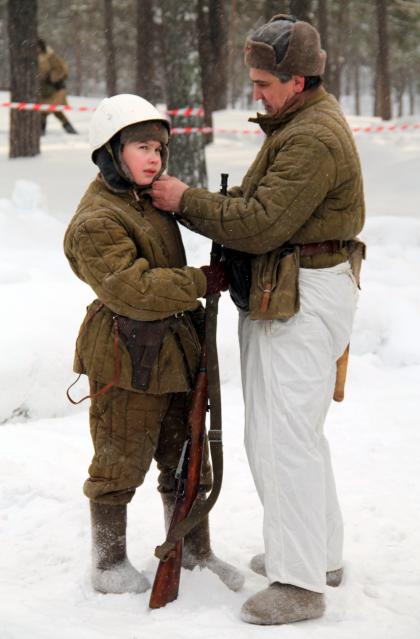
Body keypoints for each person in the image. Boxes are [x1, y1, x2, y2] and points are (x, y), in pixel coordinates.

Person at [150, 14, 365, 626]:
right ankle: (317, 554)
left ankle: (299, 583)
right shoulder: (297, 121)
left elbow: (264, 221)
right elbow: (257, 207)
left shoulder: (310, 137)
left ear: (296, 80)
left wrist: (185, 201)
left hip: (302, 295)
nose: (256, 92)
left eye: (264, 82)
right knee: (290, 434)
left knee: (283, 439)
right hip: (291, 290)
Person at [63, 94, 243, 595]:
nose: (154, 158)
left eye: (160, 149)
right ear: (111, 151)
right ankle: (108, 562)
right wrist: (197, 282)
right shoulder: (98, 219)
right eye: (142, 147)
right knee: (120, 458)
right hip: (126, 355)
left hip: (175, 353)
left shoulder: (146, 198)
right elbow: (133, 290)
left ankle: (194, 553)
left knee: (186, 458)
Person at [37, 38, 77, 135]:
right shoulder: (35, 57)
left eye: (37, 47)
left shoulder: (50, 56)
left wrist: (50, 77)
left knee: (46, 110)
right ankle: (69, 128)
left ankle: (40, 131)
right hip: (44, 90)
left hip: (55, 89)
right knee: (54, 111)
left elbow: (61, 69)